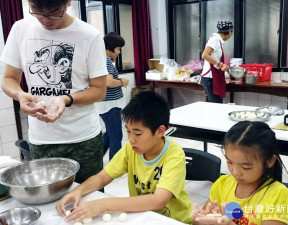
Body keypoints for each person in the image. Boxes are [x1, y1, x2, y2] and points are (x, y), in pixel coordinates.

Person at [0, 0, 108, 183]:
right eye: (37, 11)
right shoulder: (20, 29)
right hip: (41, 140)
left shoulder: (89, 35)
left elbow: (99, 91)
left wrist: (65, 99)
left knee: (88, 199)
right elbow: (9, 78)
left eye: (53, 12)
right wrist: (19, 94)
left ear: (68, 3)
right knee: (48, 201)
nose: (45, 19)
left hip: (83, 139)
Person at [56, 91, 194, 224]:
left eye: (138, 133)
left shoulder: (174, 155)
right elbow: (103, 177)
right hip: (143, 216)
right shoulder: (131, 149)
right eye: (128, 131)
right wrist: (77, 191)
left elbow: (158, 201)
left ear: (160, 131)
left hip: (174, 220)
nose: (131, 139)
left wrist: (104, 204)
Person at [192, 121, 288, 225]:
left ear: (270, 161)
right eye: (229, 162)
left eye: (246, 167)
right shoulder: (222, 184)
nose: (235, 172)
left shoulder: (278, 195)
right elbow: (196, 222)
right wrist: (205, 220)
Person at [95, 32, 129, 160]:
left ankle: (97, 160)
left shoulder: (102, 60)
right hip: (110, 105)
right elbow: (108, 82)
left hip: (106, 104)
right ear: (111, 47)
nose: (119, 52)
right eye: (118, 49)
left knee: (110, 134)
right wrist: (122, 82)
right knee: (116, 136)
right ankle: (115, 166)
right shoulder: (106, 61)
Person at [200, 21, 233, 103]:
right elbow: (205, 55)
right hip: (210, 78)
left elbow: (213, 57)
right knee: (216, 106)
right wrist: (220, 64)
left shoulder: (218, 40)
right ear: (229, 32)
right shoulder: (215, 39)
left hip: (213, 78)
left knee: (215, 105)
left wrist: (223, 66)